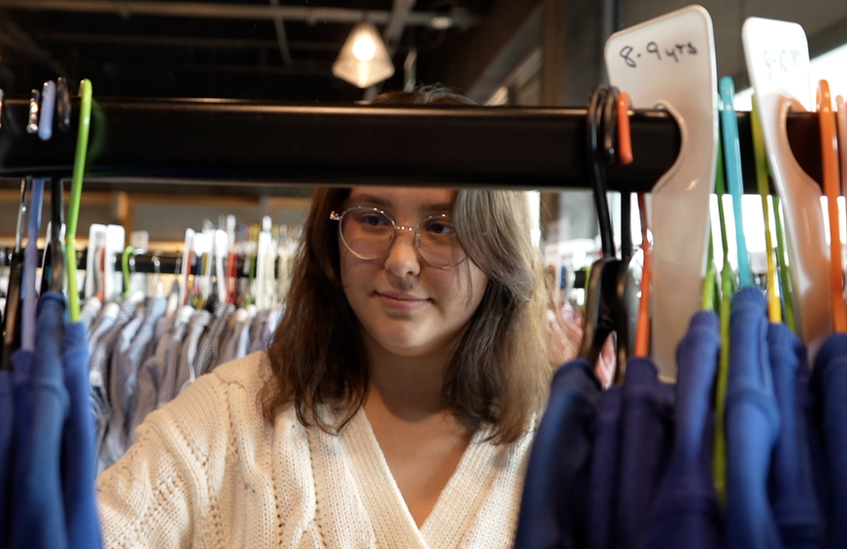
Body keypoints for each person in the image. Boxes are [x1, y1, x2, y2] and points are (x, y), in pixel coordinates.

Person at [95, 87, 553, 548]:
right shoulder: (225, 422)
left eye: (441, 228)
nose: (401, 261)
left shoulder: (556, 445)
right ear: (332, 235)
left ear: (498, 250)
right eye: (372, 219)